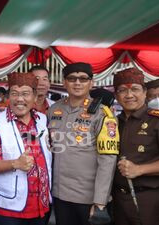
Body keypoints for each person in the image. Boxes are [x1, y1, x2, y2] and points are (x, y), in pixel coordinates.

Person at [47, 62, 119, 225]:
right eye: (72, 79)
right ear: (64, 82)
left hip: (87, 197)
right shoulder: (54, 109)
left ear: (91, 83)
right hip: (59, 194)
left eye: (83, 79)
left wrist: (100, 202)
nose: (77, 83)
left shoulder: (102, 114)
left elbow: (108, 159)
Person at [112, 68, 159, 225]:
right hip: (119, 201)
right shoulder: (112, 123)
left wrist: (139, 169)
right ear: (116, 95)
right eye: (122, 90)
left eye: (135, 89)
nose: (129, 95)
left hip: (151, 201)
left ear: (144, 92)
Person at [0, 72, 52, 225]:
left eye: (25, 94)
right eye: (14, 93)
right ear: (9, 97)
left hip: (42, 204)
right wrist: (16, 163)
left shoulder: (42, 120)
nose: (20, 99)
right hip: (10, 208)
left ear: (35, 97)